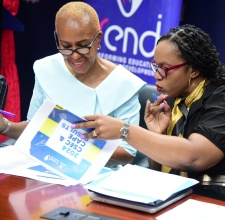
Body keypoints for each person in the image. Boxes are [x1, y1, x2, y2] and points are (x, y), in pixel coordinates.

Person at [72, 24, 225, 205]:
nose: (156, 75)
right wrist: (158, 135)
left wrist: (124, 130)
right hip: (190, 196)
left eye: (164, 68)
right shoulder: (172, 98)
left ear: (193, 70)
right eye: (155, 66)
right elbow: (164, 169)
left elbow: (194, 157)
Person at [0, 2, 146, 169]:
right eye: (66, 47)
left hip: (98, 176)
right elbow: (34, 127)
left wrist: (72, 148)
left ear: (98, 39)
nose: (75, 56)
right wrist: (5, 127)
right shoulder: (46, 69)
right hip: (46, 170)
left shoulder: (124, 84)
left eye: (83, 46)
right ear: (57, 40)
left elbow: (127, 153)